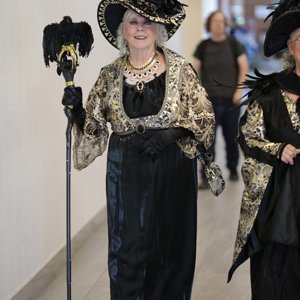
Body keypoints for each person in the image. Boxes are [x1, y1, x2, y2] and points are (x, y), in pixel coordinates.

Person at [61, 0, 215, 299]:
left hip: (172, 168)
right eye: (134, 22)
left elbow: (204, 117)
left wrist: (172, 133)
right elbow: (94, 129)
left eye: (147, 22)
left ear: (158, 29)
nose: (141, 28)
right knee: (127, 249)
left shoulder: (180, 68)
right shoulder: (109, 74)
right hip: (126, 170)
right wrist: (78, 110)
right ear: (123, 30)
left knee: (171, 248)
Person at [228, 1, 300, 299]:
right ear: (290, 47)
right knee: (276, 275)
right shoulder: (269, 92)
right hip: (278, 203)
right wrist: (277, 148)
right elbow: (247, 137)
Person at [193, 10, 248, 188]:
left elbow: (243, 67)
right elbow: (193, 69)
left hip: (231, 100)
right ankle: (208, 176)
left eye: (221, 21)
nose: (218, 24)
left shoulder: (233, 44)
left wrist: (239, 91)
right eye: (215, 21)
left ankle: (232, 169)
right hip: (209, 102)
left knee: (231, 138)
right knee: (208, 141)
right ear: (209, 24)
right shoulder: (203, 46)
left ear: (225, 25)